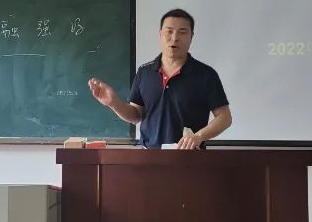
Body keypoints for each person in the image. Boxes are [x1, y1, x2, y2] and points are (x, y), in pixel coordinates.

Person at [88, 8, 232, 149]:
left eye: (182, 32)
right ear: (160, 35)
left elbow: (224, 117)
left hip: (190, 156)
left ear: (191, 37)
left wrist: (199, 136)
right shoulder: (144, 72)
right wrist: (114, 103)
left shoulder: (206, 75)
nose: (175, 38)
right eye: (169, 31)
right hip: (149, 156)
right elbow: (136, 115)